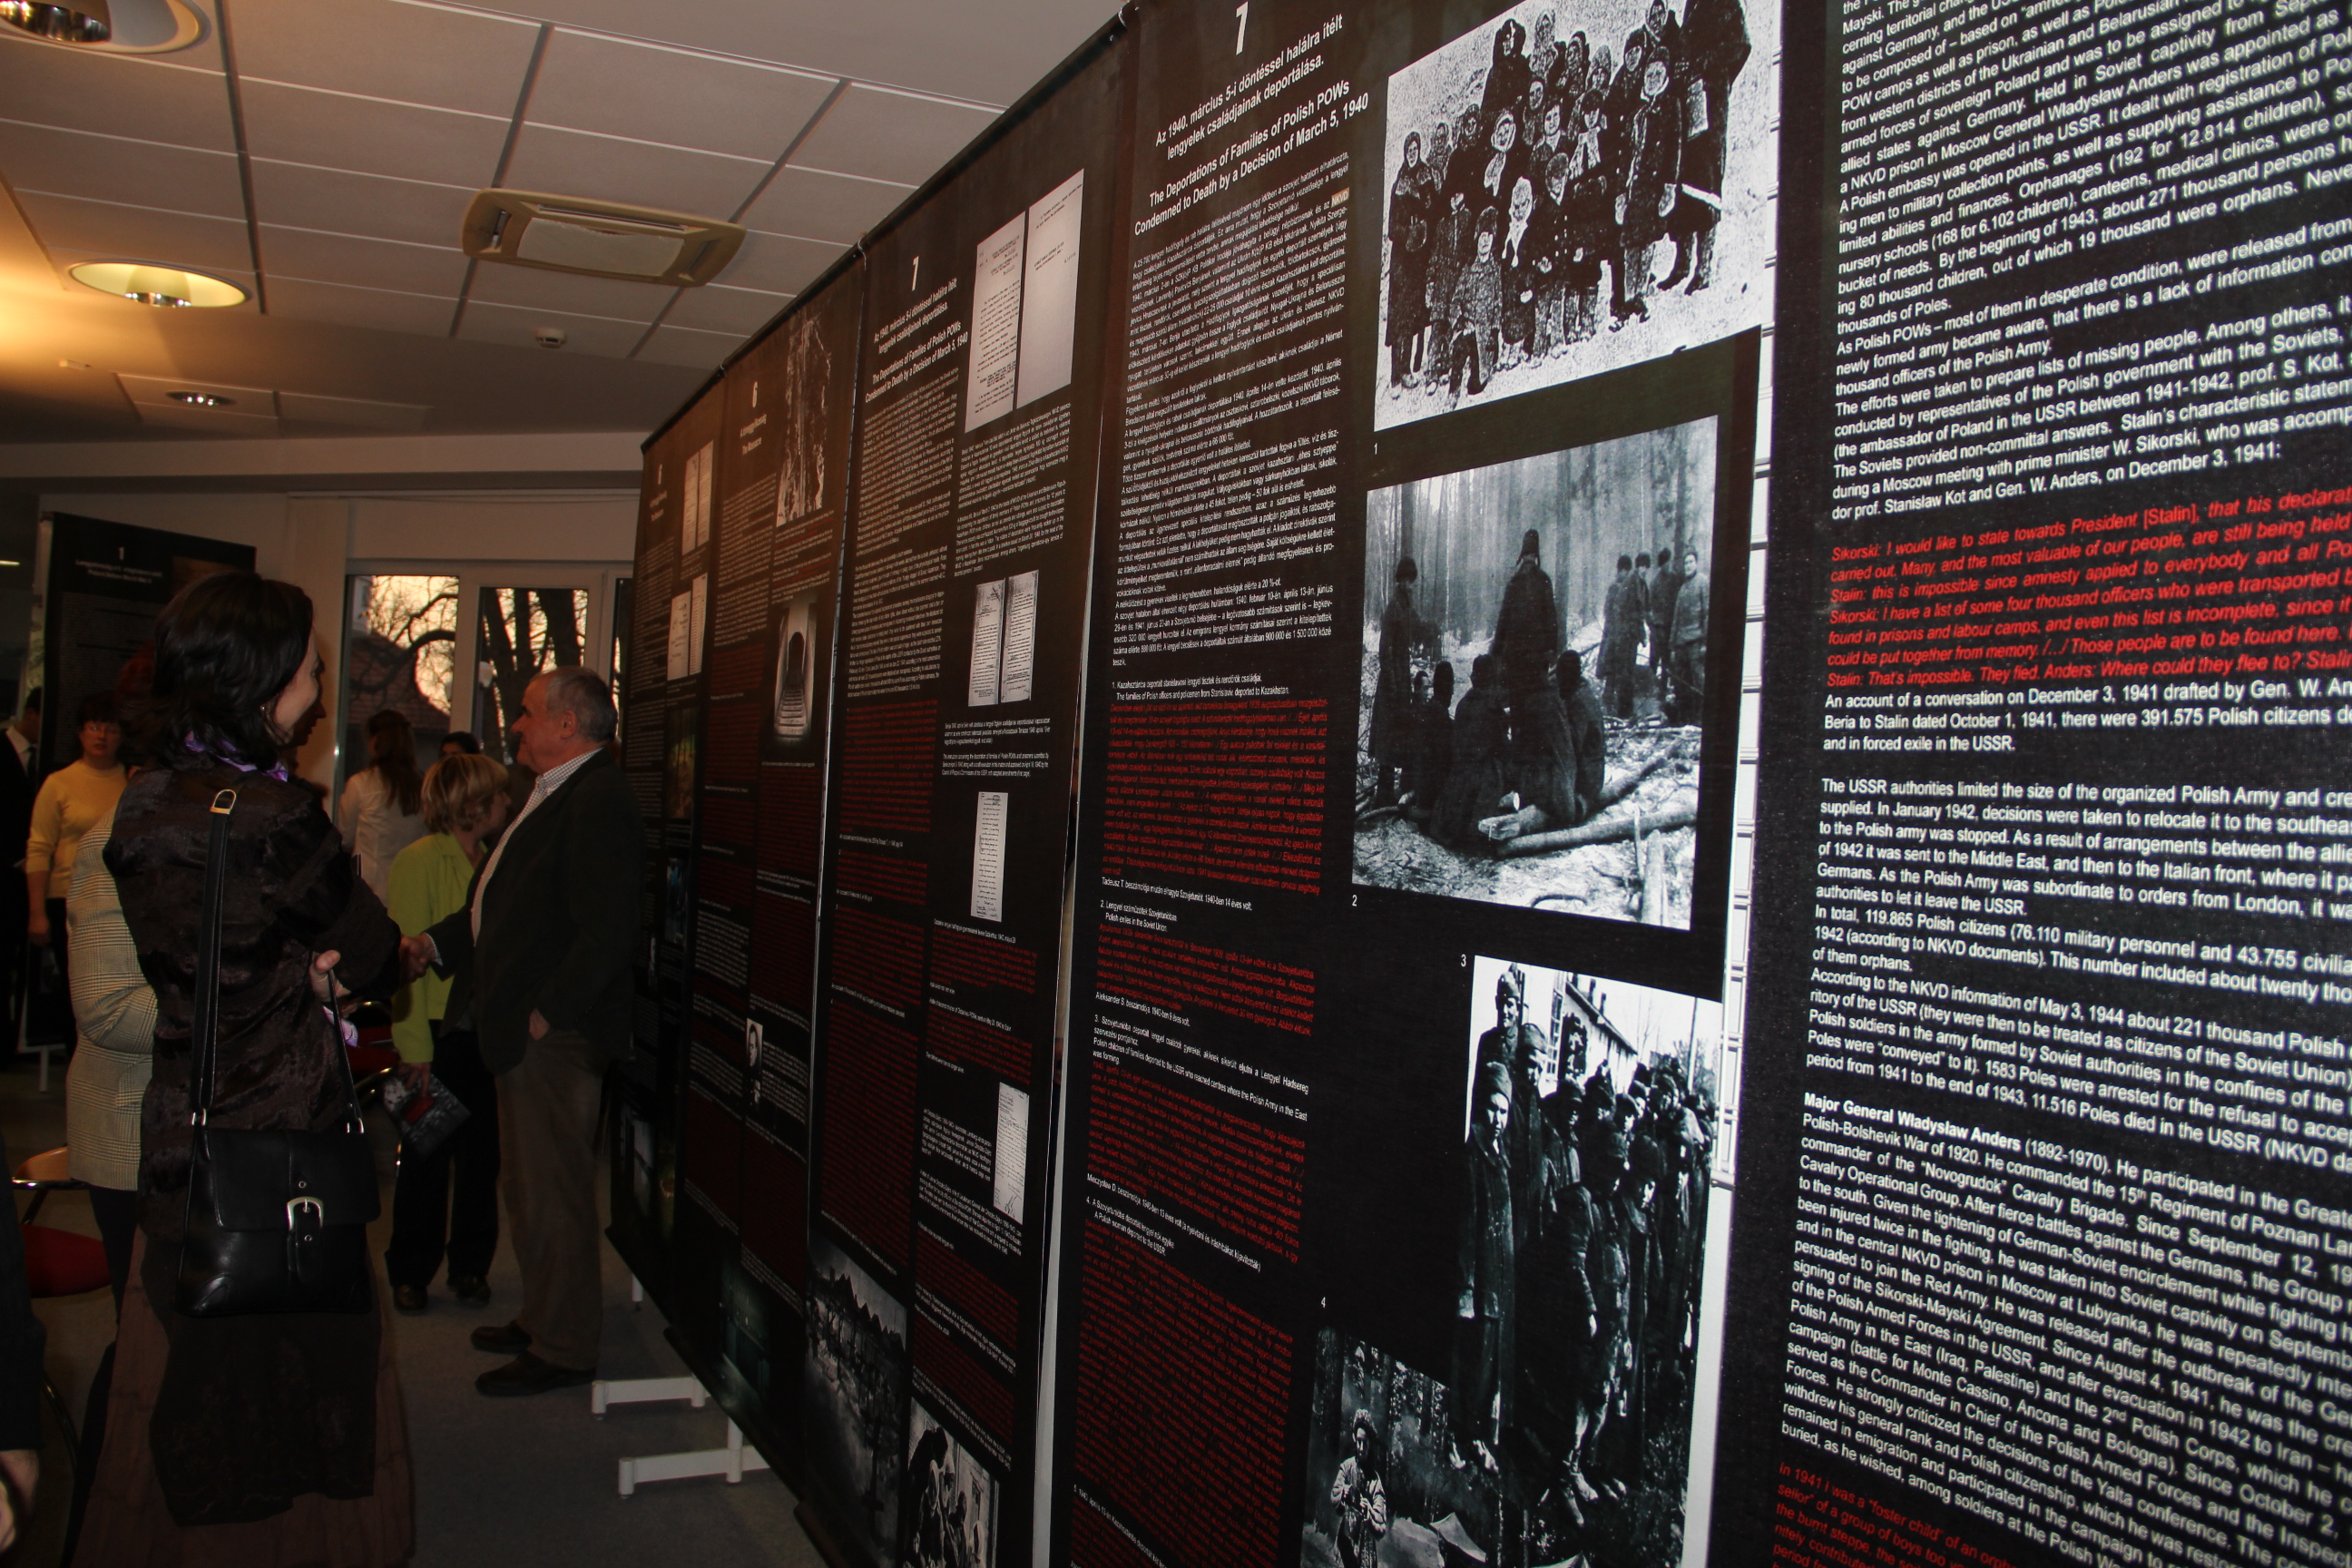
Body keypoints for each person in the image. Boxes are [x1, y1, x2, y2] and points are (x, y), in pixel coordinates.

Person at [79, 570, 412, 1562]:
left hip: (182, 1132)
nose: (318, 687)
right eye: (309, 669)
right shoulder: (274, 815)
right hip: (284, 1140)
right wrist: (318, 974)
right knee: (299, 1370)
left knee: (178, 1355)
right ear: (263, 680)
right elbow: (376, 957)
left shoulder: (140, 805)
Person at [407, 668, 643, 1396]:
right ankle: (543, 1317)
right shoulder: (553, 790)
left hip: (554, 1038)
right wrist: (437, 945)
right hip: (524, 1032)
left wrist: (550, 1012)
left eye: (528, 713)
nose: (515, 726)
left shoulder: (597, 797)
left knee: (555, 1192)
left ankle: (564, 1346)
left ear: (568, 724)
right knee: (529, 1188)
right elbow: (504, 905)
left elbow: (611, 927)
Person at [383, 752, 511, 1317]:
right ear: (473, 804)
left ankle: (470, 1267)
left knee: (482, 1160)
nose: (507, 802)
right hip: (434, 1034)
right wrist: (414, 1049)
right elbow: (406, 964)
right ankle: (411, 1271)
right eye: (498, 794)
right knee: (426, 1160)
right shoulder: (417, 861)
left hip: (480, 1032)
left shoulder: (494, 861)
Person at [26, 692, 126, 1011]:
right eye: (94, 728)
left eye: (111, 729)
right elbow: (39, 848)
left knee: (111, 992)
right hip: (67, 899)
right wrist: (37, 913)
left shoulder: (132, 782)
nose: (102, 736)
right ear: (81, 733)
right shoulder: (59, 783)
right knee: (75, 995)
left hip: (116, 902)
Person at [1660, 0, 1749, 293]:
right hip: (1687, 101)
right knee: (1683, 178)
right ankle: (1682, 263)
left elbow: (1740, 45)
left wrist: (1706, 65)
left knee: (1706, 183)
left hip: (1710, 104)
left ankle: (1704, 267)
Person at [1612, 54, 1683, 326]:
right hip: (1634, 186)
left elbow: (1674, 148)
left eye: (1657, 75)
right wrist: (1620, 193)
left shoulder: (1670, 107)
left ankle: (1641, 293)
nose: (1652, 80)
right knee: (1630, 243)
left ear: (1666, 77)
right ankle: (1629, 296)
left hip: (1653, 186)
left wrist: (1669, 187)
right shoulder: (1637, 112)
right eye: (1648, 75)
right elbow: (1625, 153)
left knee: (1646, 242)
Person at [338, 709, 427, 899]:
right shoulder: (422, 786)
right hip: (410, 887)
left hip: (371, 889)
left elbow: (345, 838)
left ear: (374, 742)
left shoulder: (360, 784)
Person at [1372, 557, 1433, 807]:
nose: (1411, 585)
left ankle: (1389, 792)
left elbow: (1418, 629)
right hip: (1391, 685)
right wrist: (1394, 685)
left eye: (1412, 581)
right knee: (1387, 739)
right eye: (1408, 581)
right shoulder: (1393, 609)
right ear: (1401, 581)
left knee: (1396, 737)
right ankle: (1383, 794)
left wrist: (1431, 629)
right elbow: (1384, 651)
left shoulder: (1407, 608)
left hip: (1401, 680)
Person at [1432, 654, 1510, 848]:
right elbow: (1501, 746)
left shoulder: (1464, 703)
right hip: (1482, 776)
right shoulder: (1492, 707)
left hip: (1460, 775)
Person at [1494, 530, 1560, 702]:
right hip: (1537, 657)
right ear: (1535, 555)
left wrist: (1496, 652)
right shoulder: (1543, 580)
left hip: (1515, 657)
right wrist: (1552, 649)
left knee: (1518, 701)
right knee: (1536, 700)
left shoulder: (1514, 582)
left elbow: (1503, 620)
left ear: (1522, 555)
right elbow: (1551, 618)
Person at [1389, 132, 1434, 388]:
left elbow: (1433, 211)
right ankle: (1400, 371)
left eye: (1416, 148)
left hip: (1421, 257)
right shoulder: (1400, 182)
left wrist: (1424, 231)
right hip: (1403, 259)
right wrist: (1409, 233)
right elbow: (1392, 227)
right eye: (1409, 149)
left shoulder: (1426, 177)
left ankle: (1416, 363)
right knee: (1402, 314)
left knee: (1419, 311)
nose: (1413, 153)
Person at [1447, 208, 1505, 403]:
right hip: (1467, 327)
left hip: (1485, 331)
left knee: (1477, 386)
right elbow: (1455, 301)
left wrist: (1494, 331)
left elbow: (1498, 304)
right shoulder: (1468, 268)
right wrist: (1461, 322)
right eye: (1482, 237)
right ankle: (1453, 391)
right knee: (1459, 351)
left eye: (1489, 237)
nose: (1485, 241)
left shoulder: (1495, 270)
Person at [1330, 1409, 1391, 1568]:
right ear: (1354, 1440)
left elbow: (1381, 1527)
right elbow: (1334, 1496)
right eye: (1358, 1442)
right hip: (1346, 1543)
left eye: (1365, 1443)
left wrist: (1369, 1514)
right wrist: (1342, 1494)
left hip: (1366, 1551)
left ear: (1370, 1443)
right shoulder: (1347, 1467)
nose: (1361, 1448)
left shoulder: (1375, 1480)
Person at [1404, 661, 1456, 825]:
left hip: (1423, 789)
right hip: (1430, 793)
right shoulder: (1438, 713)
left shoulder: (1432, 709)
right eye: (1450, 686)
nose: (1452, 692)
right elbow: (1443, 758)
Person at [1559, 651, 1608, 816]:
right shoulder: (1580, 693)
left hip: (1588, 778)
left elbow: (1572, 745)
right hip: (1590, 771)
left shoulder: (1580, 701)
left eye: (1562, 673)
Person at [1600, 554, 1646, 720]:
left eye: (1627, 571)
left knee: (1616, 672)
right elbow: (1609, 612)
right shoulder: (1615, 588)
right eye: (1623, 571)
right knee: (1612, 673)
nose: (1625, 574)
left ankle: (1613, 707)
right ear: (1620, 571)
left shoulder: (1628, 587)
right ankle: (1609, 707)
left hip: (1619, 636)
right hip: (1614, 635)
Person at [1671, 546, 1710, 723]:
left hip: (1696, 641)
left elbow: (1707, 613)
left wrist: (1705, 642)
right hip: (1681, 643)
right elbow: (1676, 618)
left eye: (1691, 562)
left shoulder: (1703, 582)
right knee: (1682, 683)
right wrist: (1673, 646)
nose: (1688, 565)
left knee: (1698, 681)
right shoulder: (1682, 588)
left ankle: (1701, 719)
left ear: (1696, 563)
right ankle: (1685, 719)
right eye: (1685, 562)